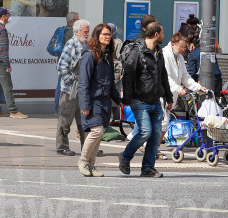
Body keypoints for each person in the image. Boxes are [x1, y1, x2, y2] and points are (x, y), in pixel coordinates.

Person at [118, 22, 172, 178]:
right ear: (156, 34)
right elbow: (128, 75)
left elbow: (163, 76)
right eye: (162, 33)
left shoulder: (158, 52)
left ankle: (147, 168)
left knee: (155, 135)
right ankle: (125, 156)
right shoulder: (137, 51)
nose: (163, 36)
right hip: (140, 100)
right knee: (145, 132)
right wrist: (126, 99)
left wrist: (168, 97)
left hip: (156, 101)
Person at [77, 24, 121, 177]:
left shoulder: (107, 55)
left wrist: (119, 100)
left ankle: (91, 165)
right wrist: (85, 104)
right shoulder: (89, 55)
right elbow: (83, 82)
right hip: (93, 100)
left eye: (109, 35)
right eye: (104, 34)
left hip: (105, 101)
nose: (108, 37)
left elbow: (110, 83)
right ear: (97, 36)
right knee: (97, 131)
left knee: (100, 133)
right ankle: (83, 161)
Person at [55, 18, 91, 156]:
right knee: (65, 120)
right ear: (76, 32)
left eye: (88, 31)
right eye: (85, 31)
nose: (87, 33)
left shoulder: (87, 45)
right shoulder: (71, 44)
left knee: (85, 121)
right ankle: (62, 147)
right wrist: (72, 82)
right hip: (69, 91)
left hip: (82, 90)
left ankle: (87, 148)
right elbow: (61, 66)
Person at [0, 7, 26, 119]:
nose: (10, 16)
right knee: (7, 86)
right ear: (4, 16)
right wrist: (7, 65)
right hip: (0, 61)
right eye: (8, 14)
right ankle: (13, 111)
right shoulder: (2, 29)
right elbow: (3, 49)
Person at [163, 32, 207, 102]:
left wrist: (198, 87)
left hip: (172, 97)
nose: (183, 50)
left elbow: (185, 76)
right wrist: (178, 89)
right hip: (163, 96)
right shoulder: (165, 55)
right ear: (172, 44)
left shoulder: (180, 57)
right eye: (180, 47)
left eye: (184, 47)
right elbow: (166, 78)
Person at [49, 12, 79, 112]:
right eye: (78, 19)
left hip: (60, 61)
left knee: (60, 85)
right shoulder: (72, 33)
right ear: (73, 21)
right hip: (69, 63)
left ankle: (58, 108)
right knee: (63, 86)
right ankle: (60, 109)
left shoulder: (63, 29)